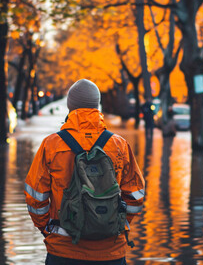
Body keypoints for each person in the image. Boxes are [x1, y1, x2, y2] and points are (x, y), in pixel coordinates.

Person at [24, 79, 145, 265]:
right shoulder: (119, 146)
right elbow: (136, 196)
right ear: (97, 105)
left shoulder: (51, 145)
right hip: (111, 252)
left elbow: (35, 197)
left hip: (64, 249)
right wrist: (113, 223)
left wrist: (47, 229)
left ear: (70, 106)